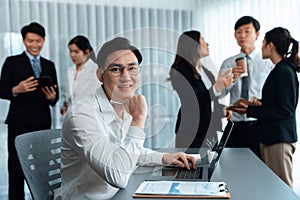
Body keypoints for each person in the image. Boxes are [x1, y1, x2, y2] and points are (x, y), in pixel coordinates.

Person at [54, 37, 196, 200]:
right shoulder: (81, 115)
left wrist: (164, 158)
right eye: (116, 69)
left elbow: (125, 150)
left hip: (119, 194)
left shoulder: (122, 103)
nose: (126, 77)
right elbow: (118, 175)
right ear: (100, 75)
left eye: (132, 68)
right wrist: (138, 119)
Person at [230, 27, 299, 188]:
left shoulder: (284, 71)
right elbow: (279, 103)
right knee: (273, 188)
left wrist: (250, 110)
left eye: (263, 43)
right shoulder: (279, 69)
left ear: (271, 46)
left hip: (279, 139)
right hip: (271, 137)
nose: (261, 47)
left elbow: (286, 109)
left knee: (282, 188)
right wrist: (261, 103)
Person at [0, 22, 59, 200]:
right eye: (30, 41)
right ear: (24, 41)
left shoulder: (49, 65)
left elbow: (54, 98)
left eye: (38, 41)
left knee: (43, 168)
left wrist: (51, 98)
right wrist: (16, 89)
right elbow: (2, 89)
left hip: (42, 123)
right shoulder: (12, 62)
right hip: (19, 122)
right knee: (16, 167)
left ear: (44, 41)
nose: (34, 45)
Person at [219, 16, 273, 158]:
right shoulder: (228, 63)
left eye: (247, 31)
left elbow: (273, 93)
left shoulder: (267, 62)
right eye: (238, 32)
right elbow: (219, 94)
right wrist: (231, 80)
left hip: (259, 123)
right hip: (235, 125)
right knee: (231, 167)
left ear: (257, 34)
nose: (242, 35)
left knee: (261, 169)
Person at [169, 30, 232, 149]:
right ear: (193, 45)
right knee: (191, 166)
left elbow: (210, 101)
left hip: (210, 131)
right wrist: (217, 87)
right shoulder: (180, 71)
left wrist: (223, 109)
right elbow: (194, 100)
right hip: (191, 132)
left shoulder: (206, 72)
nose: (207, 44)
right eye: (203, 40)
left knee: (211, 166)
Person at [60, 35, 98, 115]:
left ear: (87, 52)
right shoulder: (70, 71)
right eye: (71, 51)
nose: (72, 55)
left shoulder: (95, 70)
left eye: (76, 52)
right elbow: (69, 96)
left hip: (89, 115)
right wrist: (65, 107)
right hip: (71, 116)